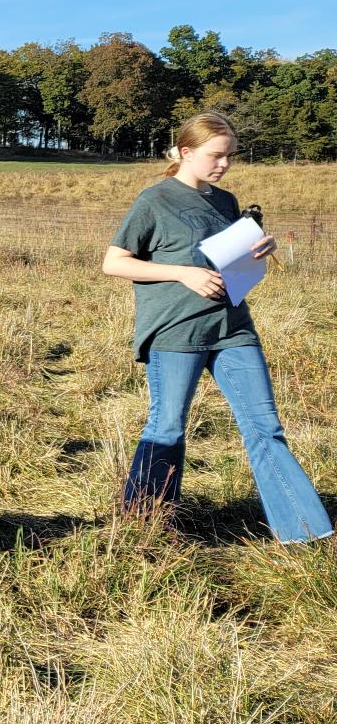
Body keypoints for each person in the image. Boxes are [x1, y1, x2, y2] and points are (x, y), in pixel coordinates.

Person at [102, 111, 331, 543]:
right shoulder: (154, 200)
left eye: (230, 157)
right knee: (167, 427)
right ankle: (143, 524)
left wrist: (262, 247)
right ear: (186, 152)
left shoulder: (225, 201)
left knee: (265, 426)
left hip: (232, 326)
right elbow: (114, 262)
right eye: (216, 156)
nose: (224, 164)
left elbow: (226, 256)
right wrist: (182, 273)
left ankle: (304, 533)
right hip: (176, 330)